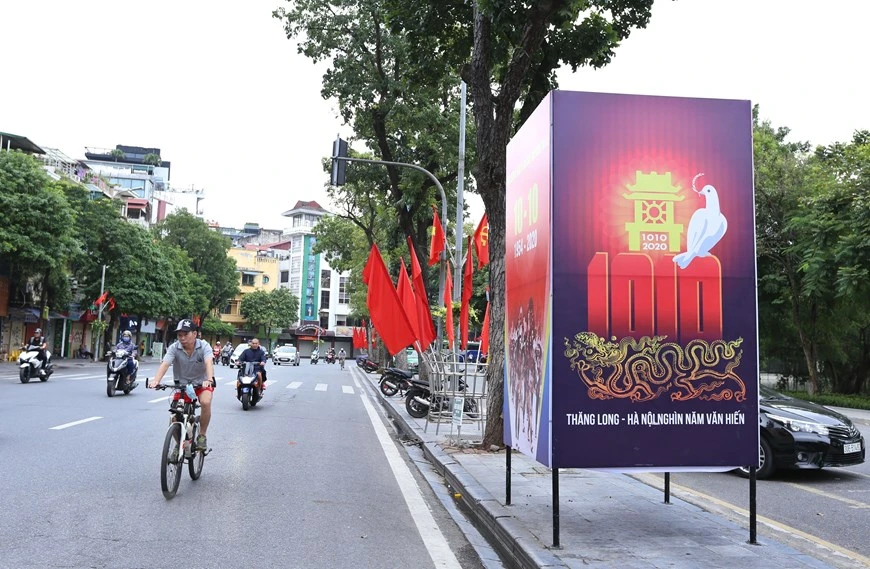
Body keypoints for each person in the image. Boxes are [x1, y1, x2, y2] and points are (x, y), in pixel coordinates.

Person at [149, 319, 215, 450]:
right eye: (180, 335)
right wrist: (156, 380)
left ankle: (202, 435)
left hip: (202, 385)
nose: (182, 338)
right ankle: (180, 446)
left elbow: (209, 363)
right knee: (174, 417)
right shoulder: (174, 348)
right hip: (182, 386)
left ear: (195, 334)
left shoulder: (204, 346)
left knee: (206, 402)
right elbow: (165, 364)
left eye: (186, 334)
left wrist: (210, 379)